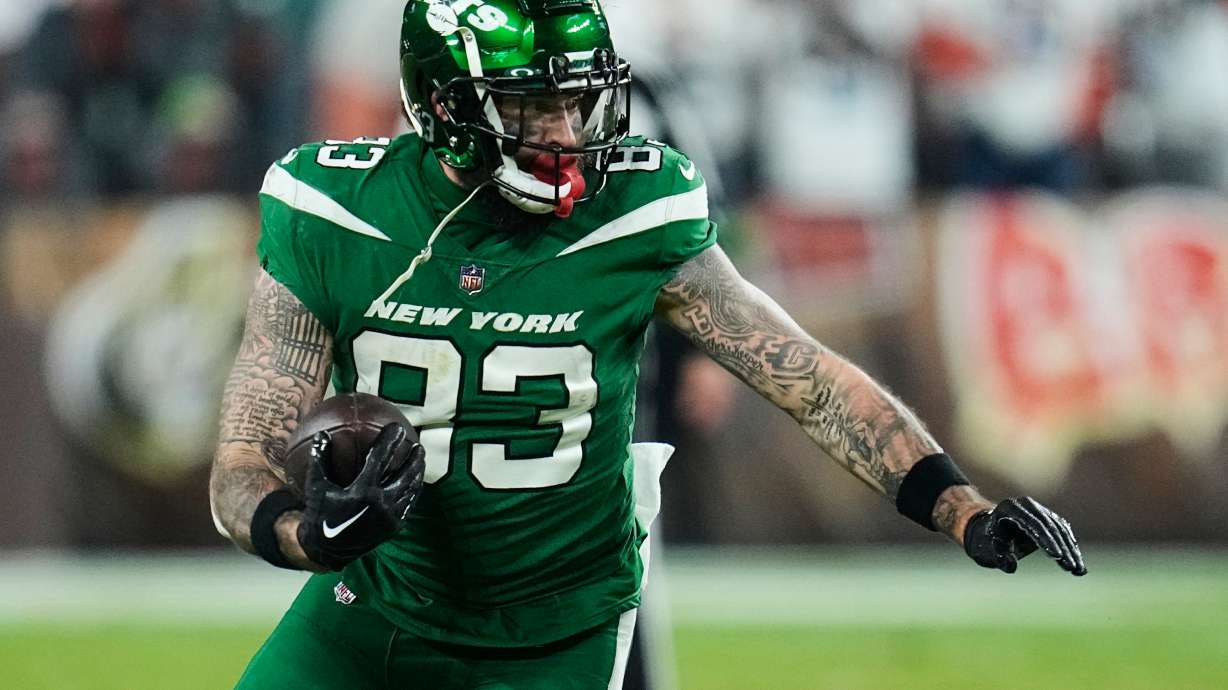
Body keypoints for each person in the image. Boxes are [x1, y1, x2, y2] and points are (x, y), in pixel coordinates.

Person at [209, 2, 1087, 688]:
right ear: (444, 104)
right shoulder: (331, 209)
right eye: (528, 104)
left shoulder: (636, 212)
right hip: (374, 608)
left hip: (551, 638)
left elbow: (809, 380)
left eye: (573, 97)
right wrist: (305, 536)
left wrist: (961, 506)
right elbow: (243, 456)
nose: (563, 132)